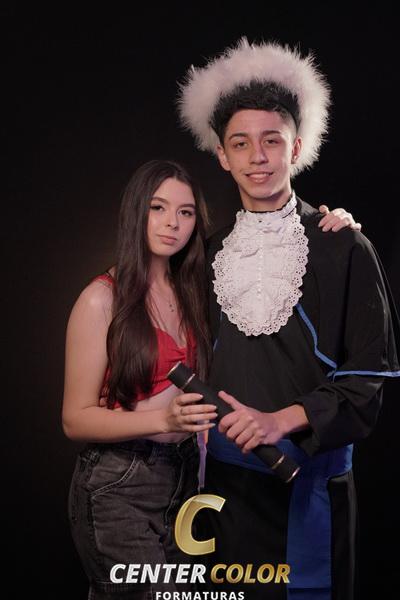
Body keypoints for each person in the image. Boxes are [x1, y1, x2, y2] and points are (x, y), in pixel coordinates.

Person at [178, 39, 400, 600]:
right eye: (241, 144)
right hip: (225, 494)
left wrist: (280, 420)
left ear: (296, 148)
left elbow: (366, 381)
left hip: (309, 491)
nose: (257, 156)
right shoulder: (207, 254)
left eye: (272, 140)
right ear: (222, 156)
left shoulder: (345, 247)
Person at [62, 159, 218, 599]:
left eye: (186, 212)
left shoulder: (194, 292)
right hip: (120, 483)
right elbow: (74, 419)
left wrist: (327, 222)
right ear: (136, 211)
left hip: (184, 483)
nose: (172, 223)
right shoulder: (100, 299)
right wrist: (164, 421)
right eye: (158, 207)